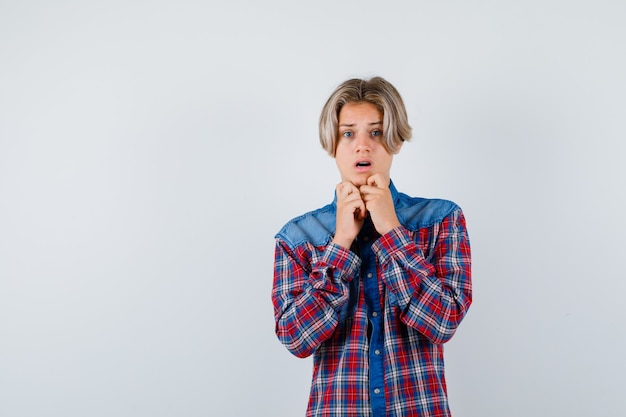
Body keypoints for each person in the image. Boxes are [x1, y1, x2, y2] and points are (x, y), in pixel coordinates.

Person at [271, 76, 472, 417]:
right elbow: (296, 339)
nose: (362, 146)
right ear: (332, 142)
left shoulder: (441, 220)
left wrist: (391, 229)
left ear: (395, 140)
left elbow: (443, 321)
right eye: (348, 133)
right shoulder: (299, 236)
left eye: (376, 132)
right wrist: (341, 243)